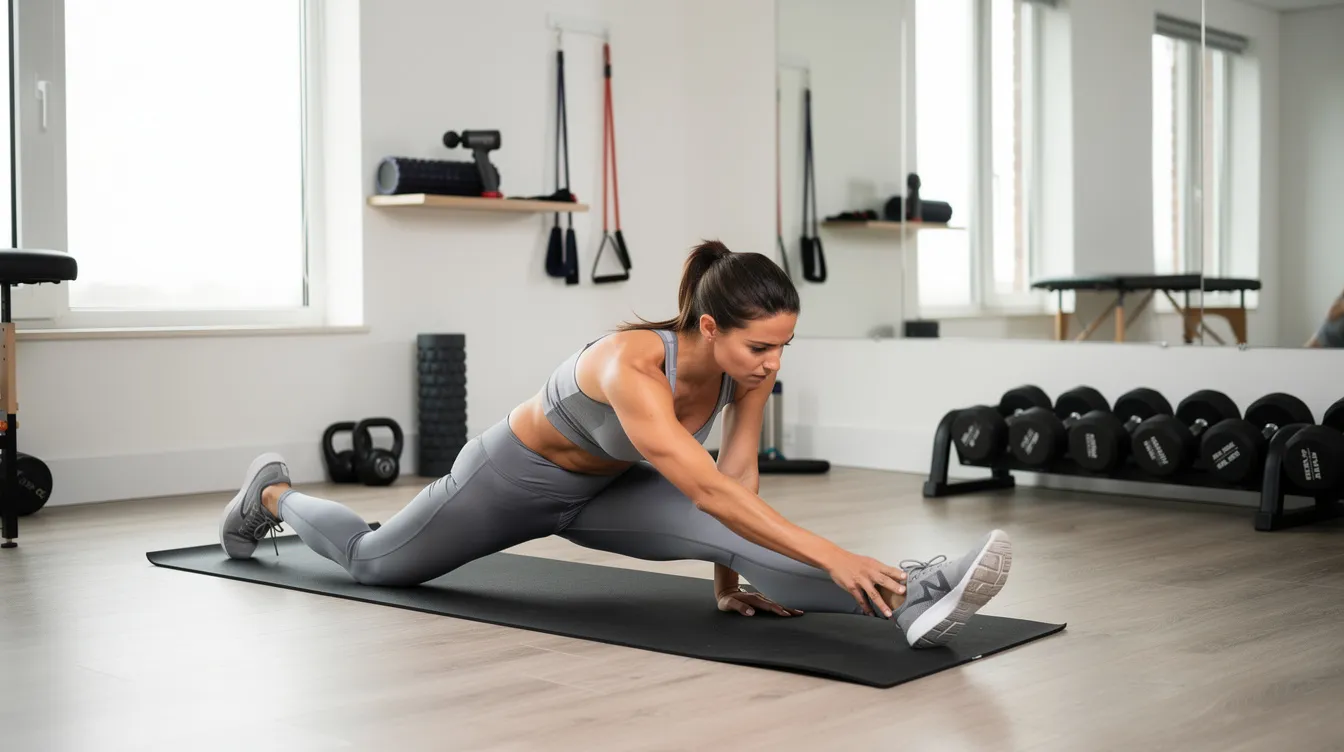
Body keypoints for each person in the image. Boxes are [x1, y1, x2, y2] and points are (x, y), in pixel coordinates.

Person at [218, 241, 1012, 649]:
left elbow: (735, 487)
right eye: (760, 347)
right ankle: (272, 495)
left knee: (758, 542)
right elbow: (705, 489)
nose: (773, 363)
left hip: (607, 494)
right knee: (375, 563)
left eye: (784, 347)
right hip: (512, 479)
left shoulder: (751, 373)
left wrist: (725, 582)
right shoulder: (631, 364)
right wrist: (830, 553)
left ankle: (915, 592)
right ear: (708, 327)